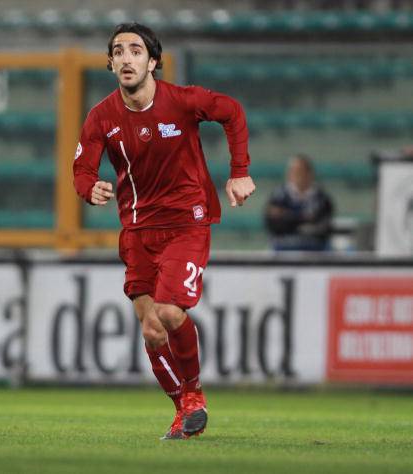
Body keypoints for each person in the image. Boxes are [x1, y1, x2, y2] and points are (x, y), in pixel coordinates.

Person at [73, 22, 255, 440]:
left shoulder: (182, 101)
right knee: (152, 329)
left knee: (170, 312)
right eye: (118, 52)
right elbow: (82, 168)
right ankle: (183, 410)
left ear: (153, 62)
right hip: (137, 229)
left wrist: (240, 171)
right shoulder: (101, 116)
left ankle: (194, 395)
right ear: (110, 63)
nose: (126, 58)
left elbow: (232, 111)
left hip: (186, 222)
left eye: (136, 51)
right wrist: (89, 188)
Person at [265, 154, 333, 251]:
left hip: (314, 248)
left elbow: (323, 227)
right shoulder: (278, 196)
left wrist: (287, 216)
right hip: (283, 247)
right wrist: (305, 218)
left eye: (300, 171)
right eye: (293, 171)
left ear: (309, 173)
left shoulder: (321, 198)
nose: (296, 175)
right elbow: (274, 224)